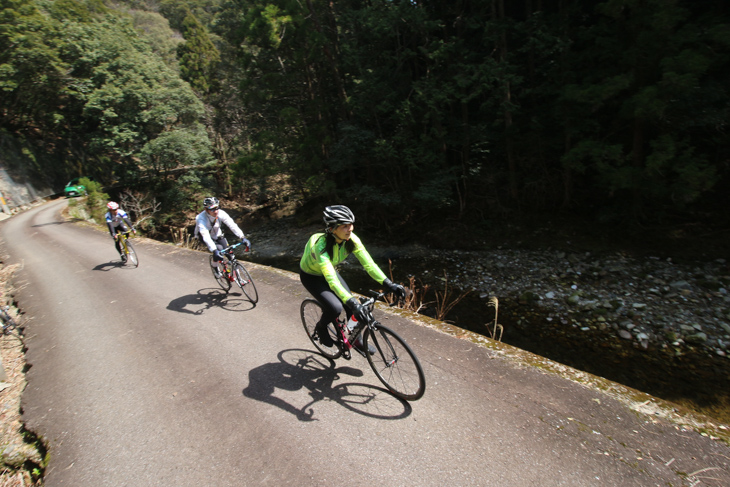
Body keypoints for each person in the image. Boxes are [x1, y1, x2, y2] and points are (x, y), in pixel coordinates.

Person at [299, 205, 406, 354]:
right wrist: (351, 301)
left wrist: (388, 283)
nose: (350, 229)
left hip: (329, 273)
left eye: (351, 224)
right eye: (345, 226)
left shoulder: (351, 239)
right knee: (336, 307)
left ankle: (356, 340)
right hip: (311, 277)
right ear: (332, 229)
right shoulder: (321, 246)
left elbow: (368, 264)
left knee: (351, 306)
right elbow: (331, 278)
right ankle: (321, 327)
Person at [194, 197, 250, 274]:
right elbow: (205, 235)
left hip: (217, 234)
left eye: (217, 207)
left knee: (230, 254)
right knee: (219, 249)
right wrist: (214, 250)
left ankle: (237, 275)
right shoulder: (200, 218)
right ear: (206, 210)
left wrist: (242, 237)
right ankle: (215, 267)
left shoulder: (221, 213)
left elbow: (232, 225)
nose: (216, 211)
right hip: (204, 237)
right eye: (212, 209)